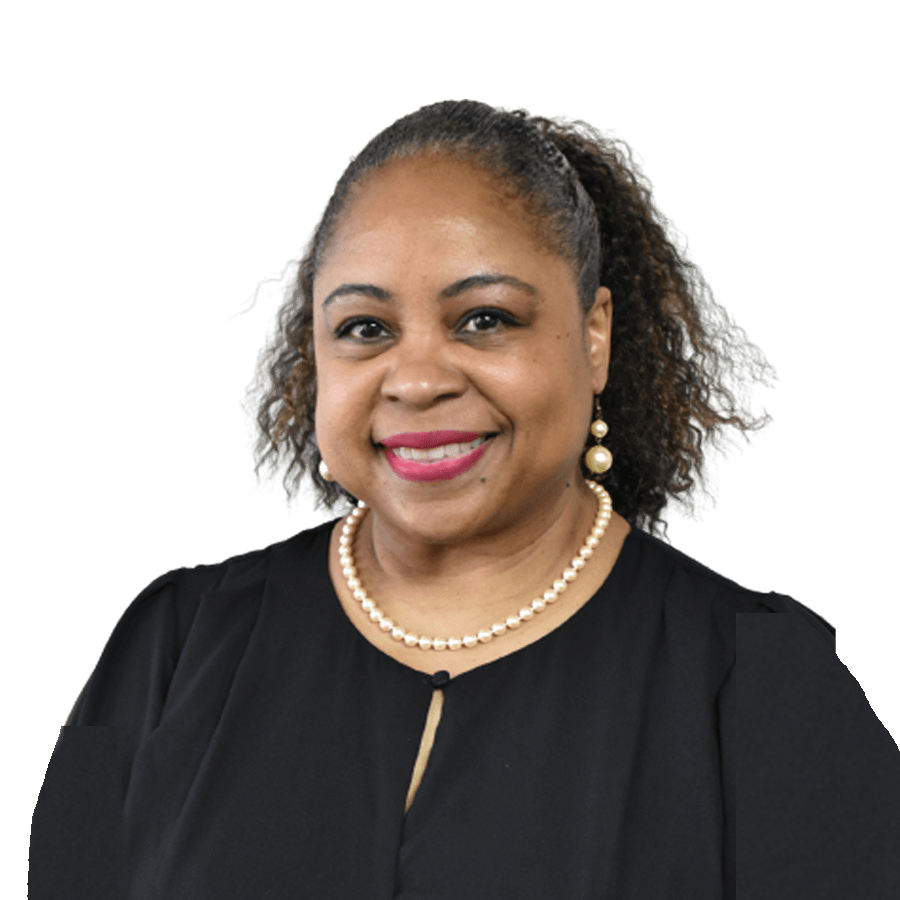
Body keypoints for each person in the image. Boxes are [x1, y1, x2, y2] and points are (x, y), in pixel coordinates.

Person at [30, 100, 900, 899]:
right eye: (365, 329)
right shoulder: (175, 651)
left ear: (594, 337)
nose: (414, 381)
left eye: (484, 318)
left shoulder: (754, 685)